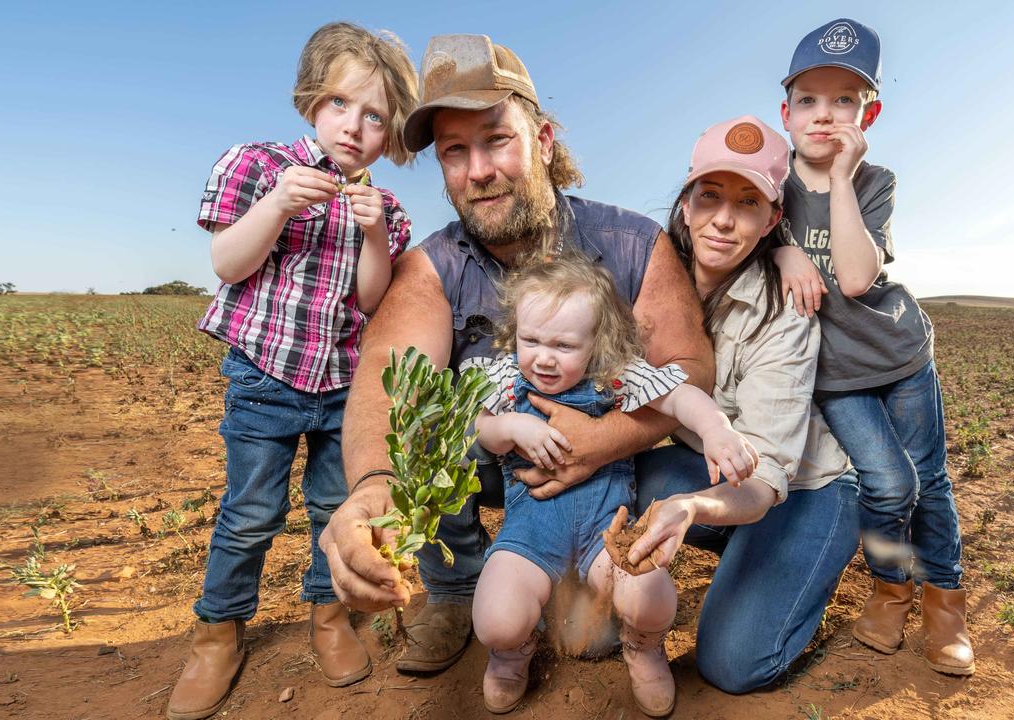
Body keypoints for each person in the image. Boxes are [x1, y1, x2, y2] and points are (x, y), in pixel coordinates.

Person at [316, 33, 713, 678]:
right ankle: (454, 587)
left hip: (617, 471)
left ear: (544, 141)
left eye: (497, 139)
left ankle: (593, 568)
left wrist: (601, 439)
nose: (478, 170)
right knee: (432, 420)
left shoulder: (633, 242)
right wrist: (374, 489)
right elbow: (388, 387)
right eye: (454, 151)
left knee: (660, 511)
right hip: (498, 459)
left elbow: (689, 371)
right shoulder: (431, 265)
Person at [167, 22, 420, 720]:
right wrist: (279, 202)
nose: (354, 126)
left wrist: (372, 232)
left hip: (343, 386)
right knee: (250, 513)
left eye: (376, 117)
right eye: (341, 104)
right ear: (311, 100)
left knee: (333, 510)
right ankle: (218, 632)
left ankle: (330, 619)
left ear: (391, 133)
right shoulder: (257, 165)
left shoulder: (386, 209)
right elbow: (226, 264)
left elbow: (371, 299)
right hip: (266, 377)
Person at [626, 114, 861, 694]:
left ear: (772, 218)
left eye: (748, 202)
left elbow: (766, 474)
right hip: (714, 468)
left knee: (732, 666)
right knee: (622, 479)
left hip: (800, 487)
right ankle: (743, 549)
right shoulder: (645, 278)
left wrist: (692, 509)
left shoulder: (785, 310)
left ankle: (799, 567)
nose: (724, 221)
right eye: (710, 197)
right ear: (686, 202)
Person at [465, 255, 756, 715]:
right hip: (531, 533)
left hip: (609, 531)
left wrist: (717, 430)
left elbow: (680, 396)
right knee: (497, 619)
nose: (542, 356)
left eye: (563, 345)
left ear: (596, 341)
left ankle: (643, 645)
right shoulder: (506, 380)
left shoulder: (614, 377)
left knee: (650, 595)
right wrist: (515, 427)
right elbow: (482, 427)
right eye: (531, 339)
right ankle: (509, 653)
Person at [772, 18, 974, 675]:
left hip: (901, 357)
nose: (824, 115)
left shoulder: (874, 180)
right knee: (888, 484)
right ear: (786, 111)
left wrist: (839, 179)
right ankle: (892, 591)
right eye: (809, 99)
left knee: (932, 483)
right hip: (836, 376)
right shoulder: (772, 186)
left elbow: (858, 277)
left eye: (844, 101)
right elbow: (734, 225)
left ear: (870, 112)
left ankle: (945, 608)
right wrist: (781, 252)